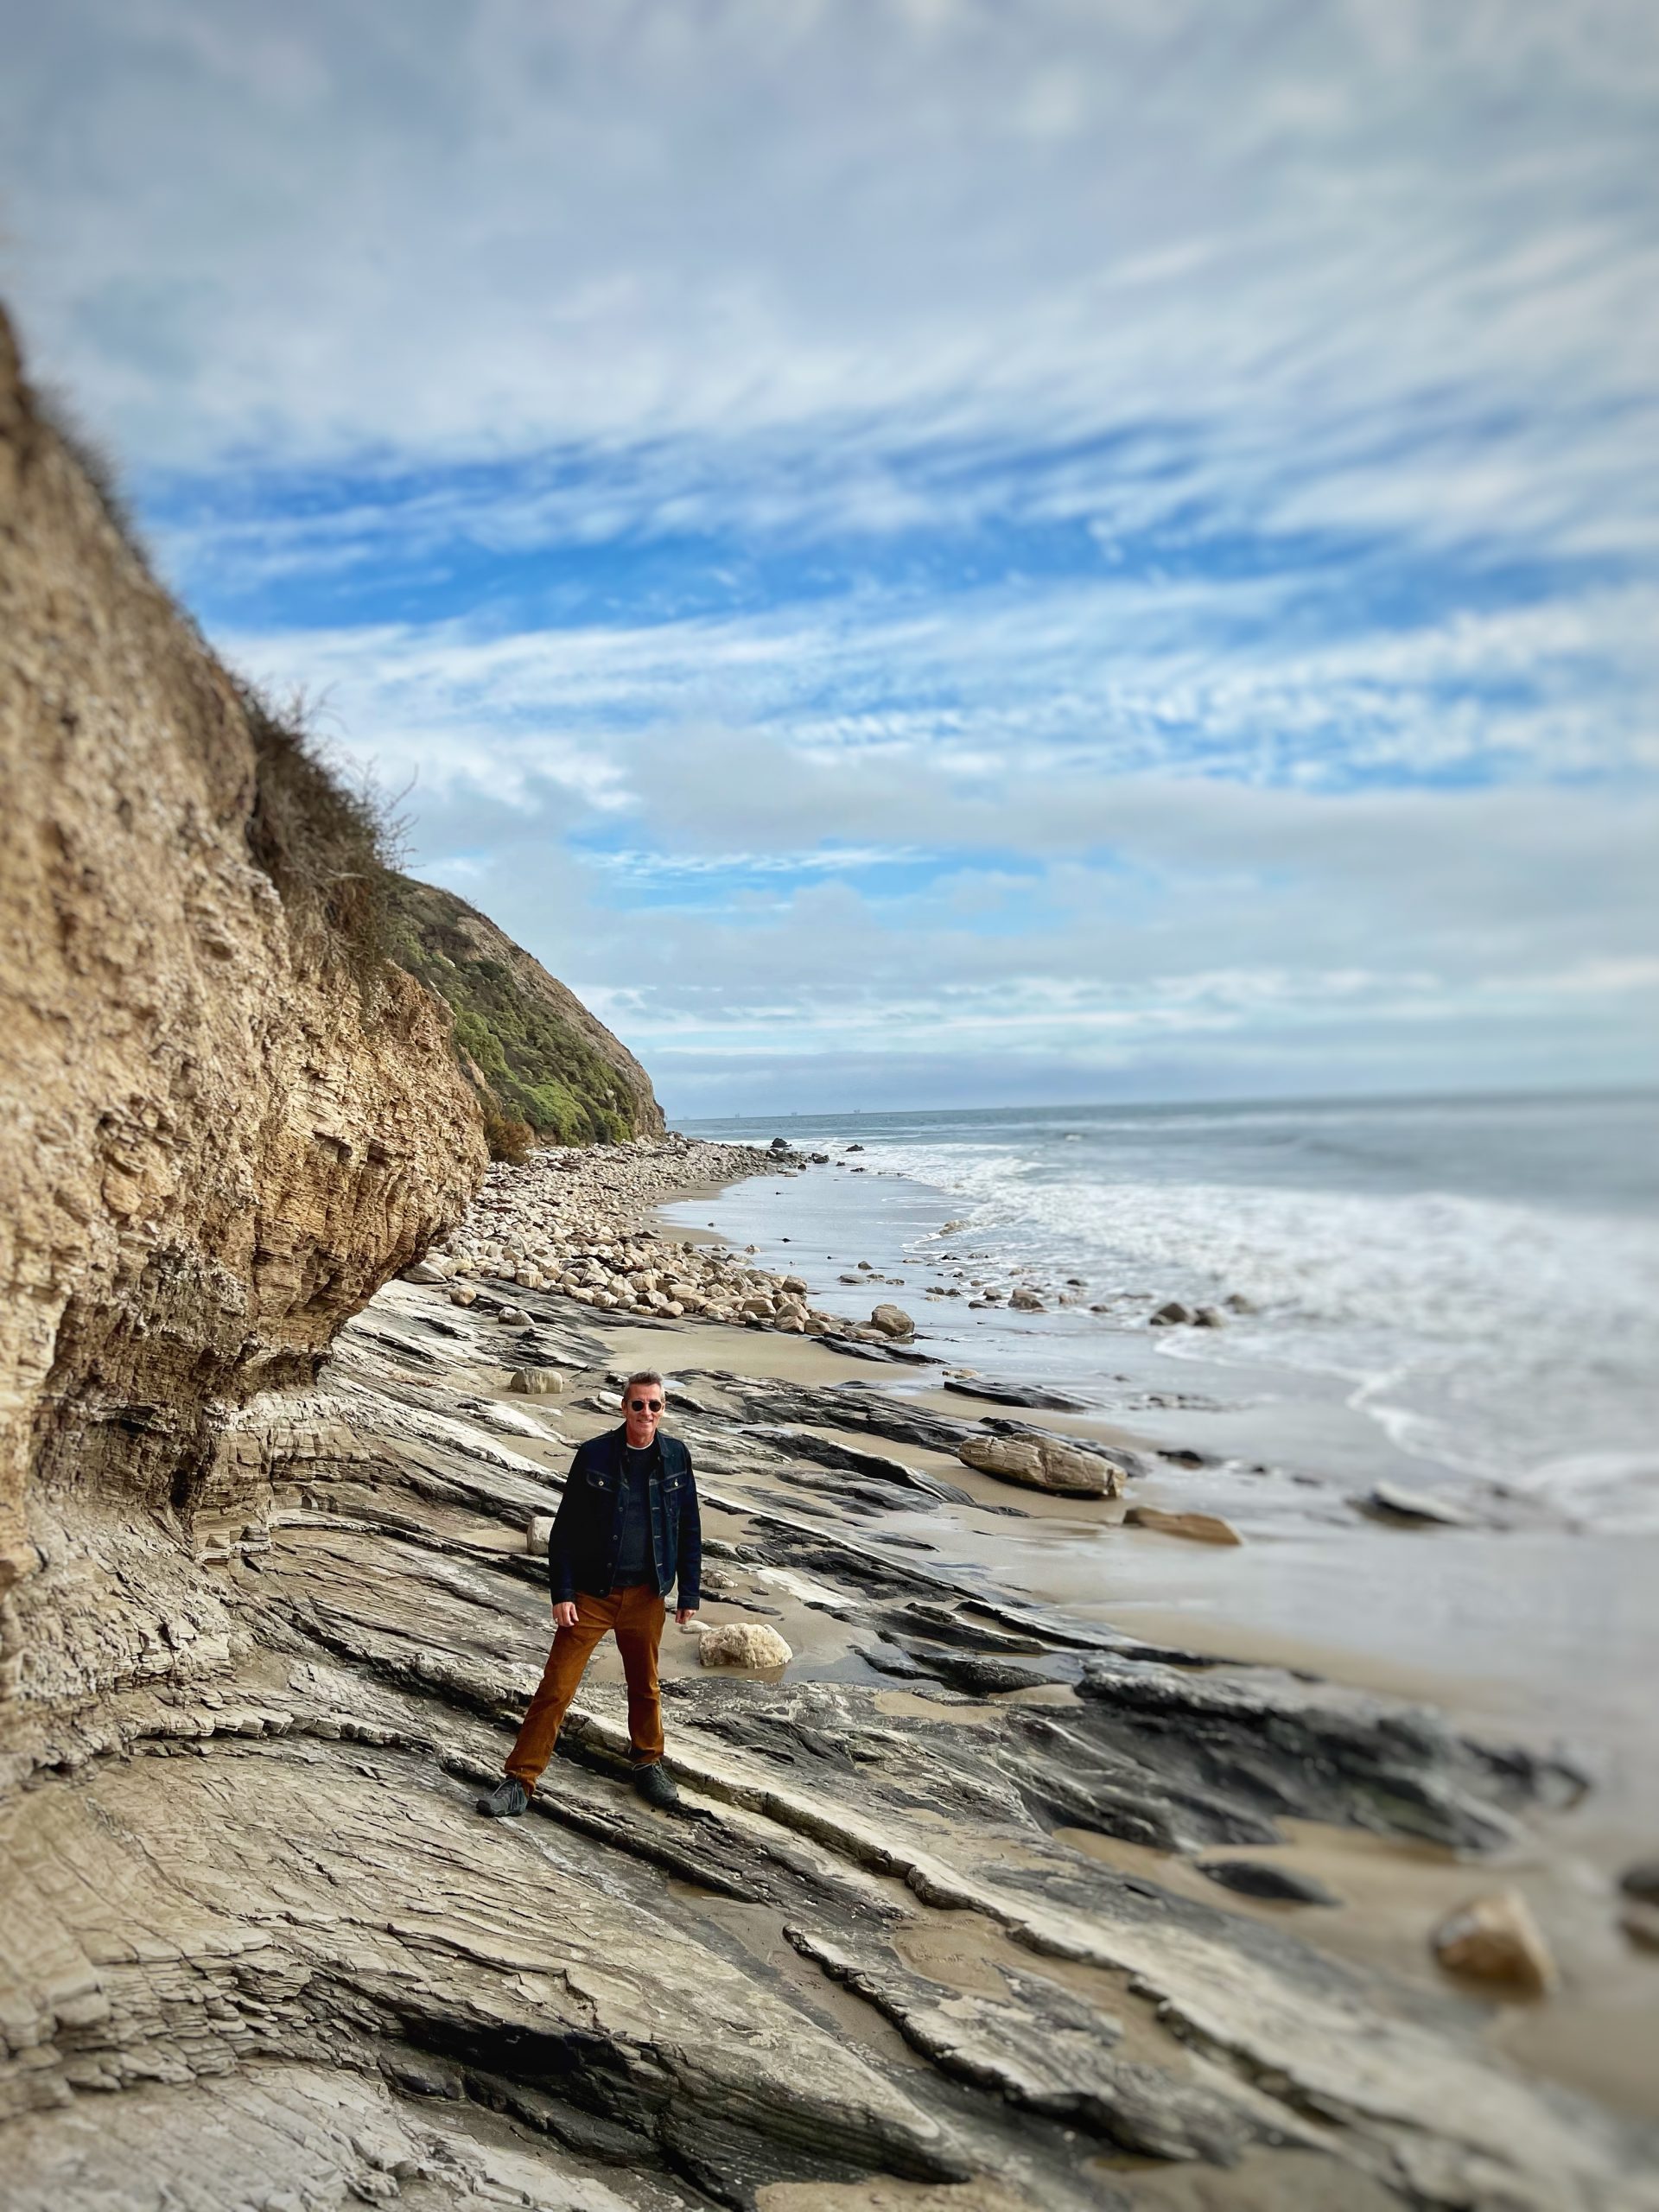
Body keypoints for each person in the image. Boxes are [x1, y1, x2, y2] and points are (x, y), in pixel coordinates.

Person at [477, 1368, 700, 1816]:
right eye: (638, 1404)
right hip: (591, 1595)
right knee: (556, 1688)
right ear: (624, 1407)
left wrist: (689, 1592)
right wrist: (562, 1593)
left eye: (654, 1405)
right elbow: (565, 1532)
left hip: (647, 1594)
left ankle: (647, 1762)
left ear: (663, 1409)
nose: (646, 1413)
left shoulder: (676, 1457)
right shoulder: (594, 1455)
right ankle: (520, 1780)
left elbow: (689, 1527)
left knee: (646, 1686)